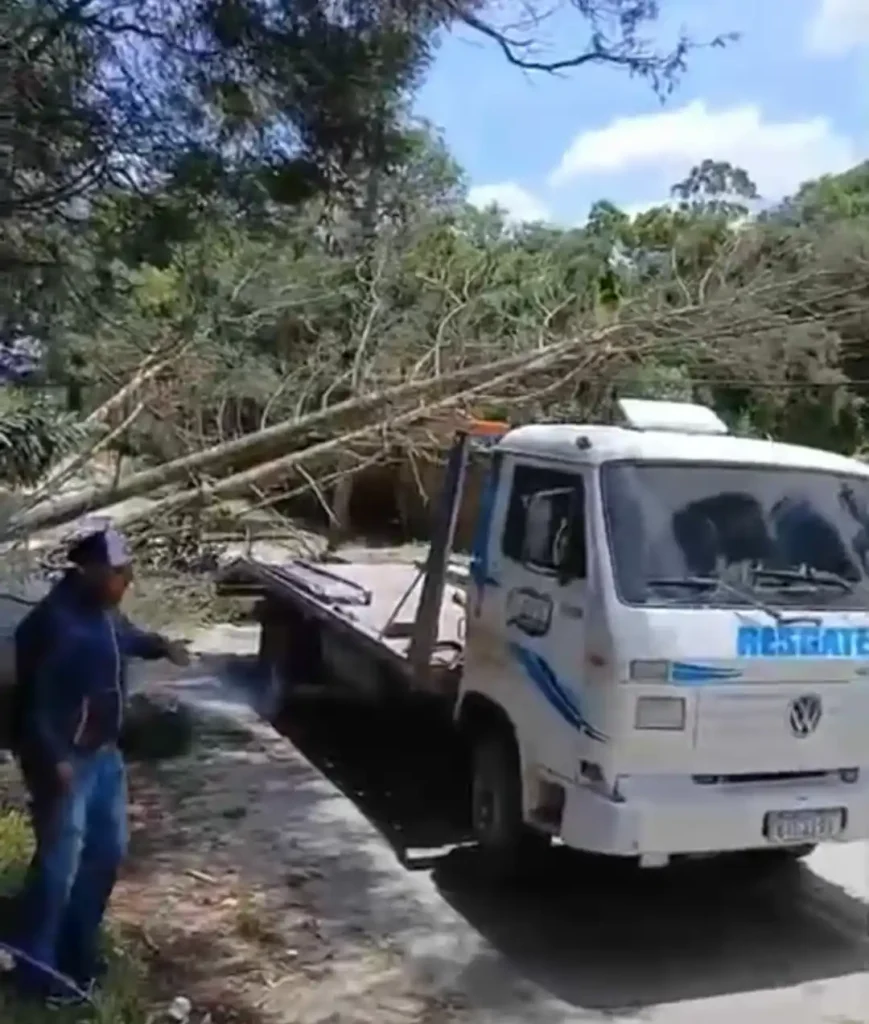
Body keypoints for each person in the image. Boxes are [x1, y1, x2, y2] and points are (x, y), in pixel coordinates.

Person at [9, 522, 189, 1006]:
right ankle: (37, 977)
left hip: (105, 756)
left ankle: (77, 954)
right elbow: (34, 704)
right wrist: (52, 759)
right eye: (118, 572)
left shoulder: (105, 614)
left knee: (105, 854)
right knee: (58, 868)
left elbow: (126, 638)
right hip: (64, 762)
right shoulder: (53, 624)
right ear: (87, 571)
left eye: (128, 571)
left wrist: (162, 646)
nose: (126, 580)